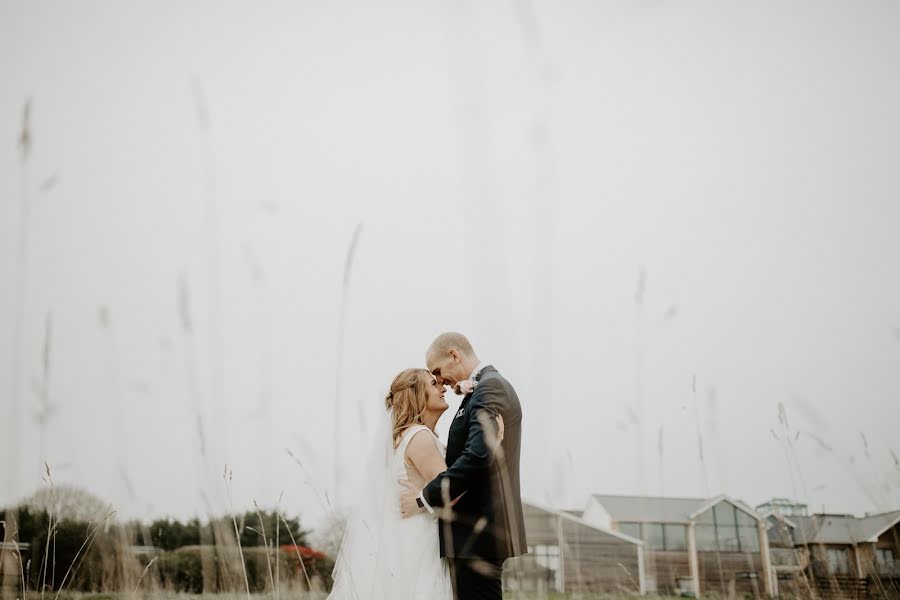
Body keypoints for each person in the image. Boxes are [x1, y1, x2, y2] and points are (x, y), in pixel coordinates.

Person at [328, 366, 503, 599]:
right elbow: (453, 494)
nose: (443, 388)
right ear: (417, 394)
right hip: (418, 542)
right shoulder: (420, 437)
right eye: (434, 384)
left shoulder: (406, 436)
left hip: (405, 536)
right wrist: (490, 448)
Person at [400, 332, 527, 600]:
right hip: (472, 535)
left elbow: (478, 456)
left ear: (454, 355)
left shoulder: (490, 387)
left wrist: (423, 498)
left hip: (477, 533)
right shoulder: (482, 389)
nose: (441, 380)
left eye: (438, 371)